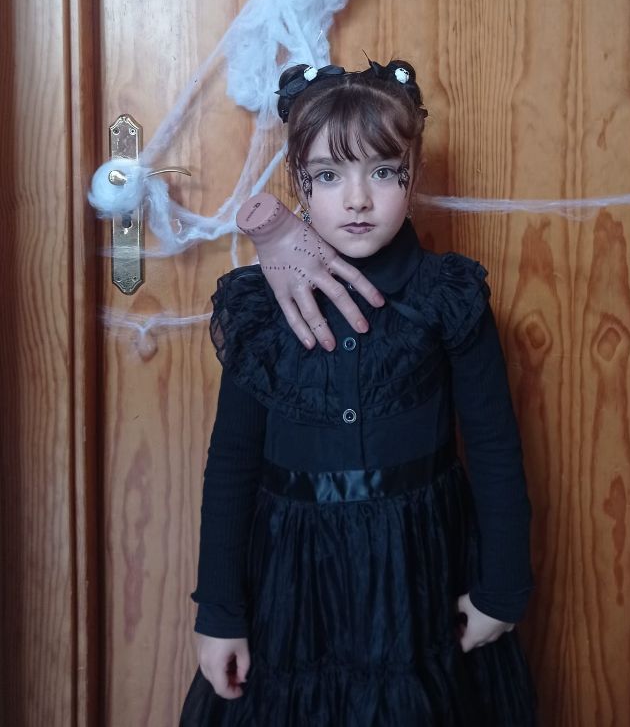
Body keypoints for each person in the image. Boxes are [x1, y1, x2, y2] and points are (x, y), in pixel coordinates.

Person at [180, 59, 536, 726]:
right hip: (294, 587)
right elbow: (230, 463)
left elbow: (495, 450)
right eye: (328, 176)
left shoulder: (449, 297)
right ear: (299, 182)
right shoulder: (260, 310)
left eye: (383, 172)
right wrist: (220, 612)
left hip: (418, 580)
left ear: (414, 175)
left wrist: (503, 588)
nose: (357, 200)